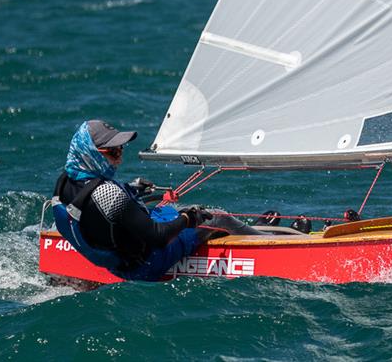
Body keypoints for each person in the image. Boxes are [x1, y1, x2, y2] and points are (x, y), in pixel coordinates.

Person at [52, 119, 258, 282]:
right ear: (90, 153)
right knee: (217, 217)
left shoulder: (64, 182)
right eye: (113, 152)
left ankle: (251, 230)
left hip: (118, 260)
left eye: (121, 149)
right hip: (148, 265)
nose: (120, 158)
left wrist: (131, 189)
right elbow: (158, 237)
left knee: (176, 210)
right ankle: (265, 239)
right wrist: (189, 219)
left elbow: (98, 209)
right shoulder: (109, 195)